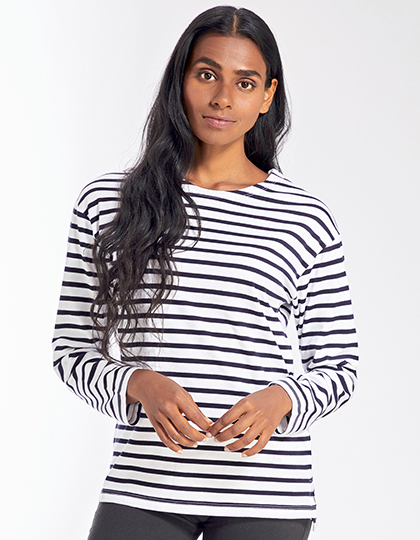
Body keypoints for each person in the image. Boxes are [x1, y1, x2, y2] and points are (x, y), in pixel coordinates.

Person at [53, 6, 358, 540]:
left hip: (266, 491)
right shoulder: (109, 203)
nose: (223, 98)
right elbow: (71, 350)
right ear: (181, 79)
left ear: (267, 96)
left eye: (245, 82)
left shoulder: (305, 217)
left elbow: (340, 366)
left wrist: (281, 399)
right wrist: (137, 382)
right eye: (207, 74)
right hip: (144, 484)